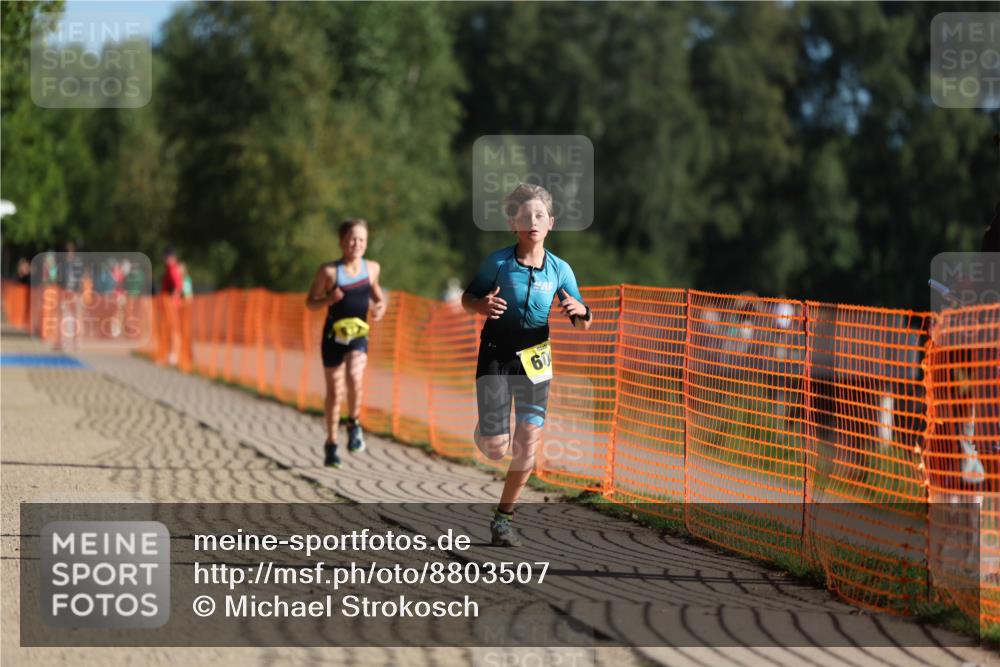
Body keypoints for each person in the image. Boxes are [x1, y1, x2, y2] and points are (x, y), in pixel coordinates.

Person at [462, 183, 592, 546]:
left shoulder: (561, 270)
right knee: (495, 448)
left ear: (551, 222)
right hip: (496, 355)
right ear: (513, 223)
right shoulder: (498, 263)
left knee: (528, 443)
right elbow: (467, 298)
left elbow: (583, 321)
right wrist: (481, 305)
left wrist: (582, 311)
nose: (532, 222)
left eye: (539, 215)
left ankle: (503, 519)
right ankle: (488, 430)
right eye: (525, 216)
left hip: (535, 361)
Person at [306, 219, 387, 468]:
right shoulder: (329, 272)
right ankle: (331, 444)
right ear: (342, 242)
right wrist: (328, 299)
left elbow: (377, 296)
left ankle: (353, 423)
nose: (356, 244)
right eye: (352, 239)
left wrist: (380, 307)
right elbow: (310, 302)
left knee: (354, 377)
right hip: (333, 337)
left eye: (361, 239)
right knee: (334, 392)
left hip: (358, 335)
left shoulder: (372, 268)